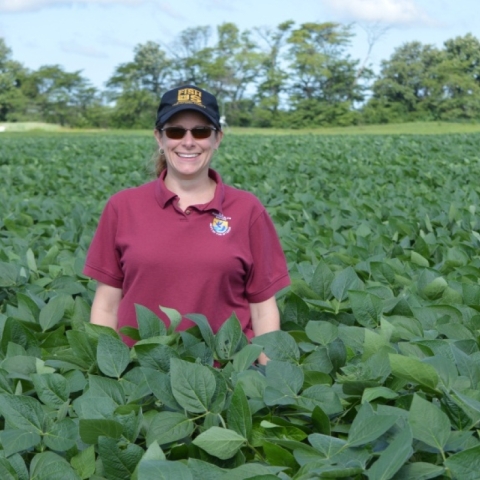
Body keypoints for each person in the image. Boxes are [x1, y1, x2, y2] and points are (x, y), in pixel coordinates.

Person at [83, 85, 290, 363]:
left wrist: (271, 380)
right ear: (159, 137)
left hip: (224, 378)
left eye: (201, 131)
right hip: (139, 375)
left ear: (217, 139)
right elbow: (106, 306)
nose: (188, 141)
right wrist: (110, 371)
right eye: (176, 131)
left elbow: (263, 310)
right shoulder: (123, 207)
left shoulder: (247, 210)